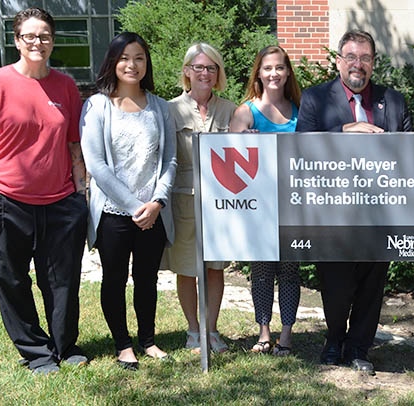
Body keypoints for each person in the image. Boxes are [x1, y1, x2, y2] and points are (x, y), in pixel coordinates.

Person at [0, 7, 89, 375]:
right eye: (30, 36)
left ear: (52, 41)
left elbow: (73, 145)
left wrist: (82, 196)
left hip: (61, 202)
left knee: (62, 279)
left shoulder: (65, 86)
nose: (38, 42)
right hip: (3, 199)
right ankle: (36, 352)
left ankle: (65, 346)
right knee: (11, 279)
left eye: (44, 36)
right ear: (17, 40)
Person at [295, 29, 413, 374]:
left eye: (364, 58)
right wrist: (347, 131)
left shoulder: (393, 101)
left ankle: (359, 347)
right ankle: (333, 341)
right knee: (335, 283)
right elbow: (302, 146)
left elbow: (409, 152)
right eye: (351, 57)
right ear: (338, 60)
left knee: (372, 284)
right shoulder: (316, 98)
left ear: (373, 63)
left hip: (380, 211)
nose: (357, 64)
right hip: (332, 212)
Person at [80, 32, 176, 370]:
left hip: (154, 212)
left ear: (146, 63)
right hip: (113, 213)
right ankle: (123, 345)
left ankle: (148, 340)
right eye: (124, 57)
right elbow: (96, 165)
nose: (131, 64)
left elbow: (170, 161)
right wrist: (135, 206)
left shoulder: (160, 106)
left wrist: (157, 203)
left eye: (139, 57)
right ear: (113, 61)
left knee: (148, 278)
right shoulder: (97, 105)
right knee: (115, 278)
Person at [162, 43, 235, 353]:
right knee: (186, 268)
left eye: (211, 68)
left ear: (218, 73)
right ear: (187, 71)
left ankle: (212, 330)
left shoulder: (231, 110)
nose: (205, 73)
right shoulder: (169, 109)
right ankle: (193, 330)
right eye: (199, 67)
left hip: (220, 201)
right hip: (183, 199)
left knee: (214, 267)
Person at [230, 45, 302, 356]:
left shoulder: (301, 109)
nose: (274, 73)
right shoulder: (245, 111)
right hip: (259, 208)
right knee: (260, 270)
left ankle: (286, 335)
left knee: (289, 270)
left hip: (294, 205)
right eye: (267, 68)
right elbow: (231, 156)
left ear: (288, 73)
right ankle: (263, 333)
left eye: (280, 68)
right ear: (258, 72)